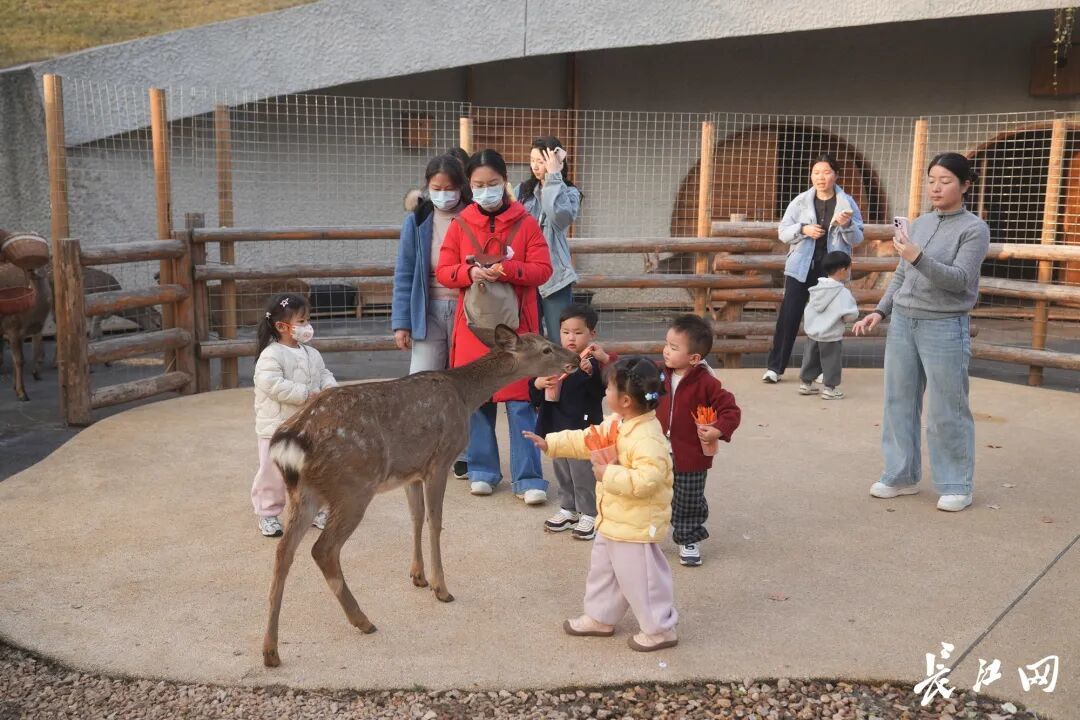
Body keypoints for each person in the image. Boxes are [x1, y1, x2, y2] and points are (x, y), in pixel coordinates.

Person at [854, 152, 989, 513]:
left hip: (944, 324)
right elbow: (902, 274)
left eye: (945, 181)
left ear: (965, 186)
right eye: (932, 180)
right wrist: (881, 311)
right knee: (898, 401)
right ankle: (901, 475)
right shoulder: (920, 223)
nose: (936, 187)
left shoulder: (974, 229)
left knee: (948, 406)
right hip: (903, 323)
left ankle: (956, 483)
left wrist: (917, 257)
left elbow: (959, 281)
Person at [523, 357, 678, 652]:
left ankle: (660, 629)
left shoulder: (647, 438)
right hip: (613, 520)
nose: (604, 393)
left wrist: (609, 474)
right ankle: (600, 616)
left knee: (642, 579)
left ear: (626, 400)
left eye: (608, 389)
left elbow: (649, 480)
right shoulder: (618, 423)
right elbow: (588, 439)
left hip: (635, 524)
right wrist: (551, 443)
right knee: (603, 571)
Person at [435, 149, 553, 504]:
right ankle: (482, 469)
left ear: (505, 182)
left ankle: (528, 477)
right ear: (470, 186)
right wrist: (468, 272)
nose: (486, 190)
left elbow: (543, 270)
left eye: (493, 184)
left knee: (519, 402)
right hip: (474, 326)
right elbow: (443, 271)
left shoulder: (526, 223)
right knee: (478, 399)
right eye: (478, 185)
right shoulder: (459, 225)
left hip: (519, 327)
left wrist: (510, 270)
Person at [392, 154, 472, 478]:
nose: (443, 194)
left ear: (461, 188)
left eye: (450, 188)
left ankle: (463, 453)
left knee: (464, 385)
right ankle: (420, 452)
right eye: (436, 187)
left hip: (467, 310)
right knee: (422, 385)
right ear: (427, 186)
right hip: (428, 310)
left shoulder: (473, 216)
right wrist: (401, 322)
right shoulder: (418, 219)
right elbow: (405, 271)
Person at [764, 152, 864, 383]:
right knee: (789, 317)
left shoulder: (846, 203)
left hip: (831, 271)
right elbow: (783, 232)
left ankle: (820, 370)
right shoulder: (800, 201)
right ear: (811, 175)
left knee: (826, 321)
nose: (821, 177)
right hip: (801, 267)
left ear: (836, 175)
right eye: (816, 172)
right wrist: (803, 229)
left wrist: (847, 224)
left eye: (826, 172)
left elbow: (857, 238)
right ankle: (775, 368)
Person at [654, 315, 741, 567]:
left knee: (688, 496)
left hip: (692, 453)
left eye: (673, 347)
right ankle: (649, 536)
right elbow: (635, 379)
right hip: (657, 449)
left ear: (694, 358)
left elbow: (730, 410)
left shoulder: (706, 382)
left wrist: (717, 430)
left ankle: (688, 538)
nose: (666, 351)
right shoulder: (659, 373)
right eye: (666, 344)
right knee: (654, 493)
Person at [251, 293, 336, 536]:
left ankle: (312, 509)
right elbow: (270, 383)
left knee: (311, 470)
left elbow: (324, 373)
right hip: (277, 429)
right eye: (301, 321)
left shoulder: (311, 353)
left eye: (307, 319)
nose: (307, 326)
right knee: (274, 473)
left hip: (308, 426)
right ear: (281, 326)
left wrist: (330, 389)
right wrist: (305, 393)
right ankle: (268, 513)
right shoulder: (271, 355)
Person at [529, 304, 615, 540]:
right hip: (555, 425)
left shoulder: (593, 360)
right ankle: (568, 508)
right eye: (566, 332)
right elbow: (533, 393)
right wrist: (538, 384)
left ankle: (589, 512)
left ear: (591, 334)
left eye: (578, 332)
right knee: (562, 469)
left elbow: (602, 391)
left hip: (582, 427)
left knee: (583, 472)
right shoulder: (551, 357)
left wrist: (590, 374)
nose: (571, 337)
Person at [515, 136, 582, 343]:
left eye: (541, 161)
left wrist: (554, 177)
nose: (535, 166)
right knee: (529, 338)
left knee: (557, 338)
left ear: (555, 161)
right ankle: (534, 378)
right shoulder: (522, 191)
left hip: (555, 278)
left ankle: (560, 376)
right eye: (532, 160)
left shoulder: (570, 193)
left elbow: (559, 217)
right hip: (525, 273)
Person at [799, 251, 859, 399]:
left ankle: (806, 384)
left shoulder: (817, 289)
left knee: (810, 358)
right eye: (849, 269)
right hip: (831, 335)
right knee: (831, 362)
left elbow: (809, 309)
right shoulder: (842, 293)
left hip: (813, 333)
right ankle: (829, 389)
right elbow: (851, 315)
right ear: (842, 270)